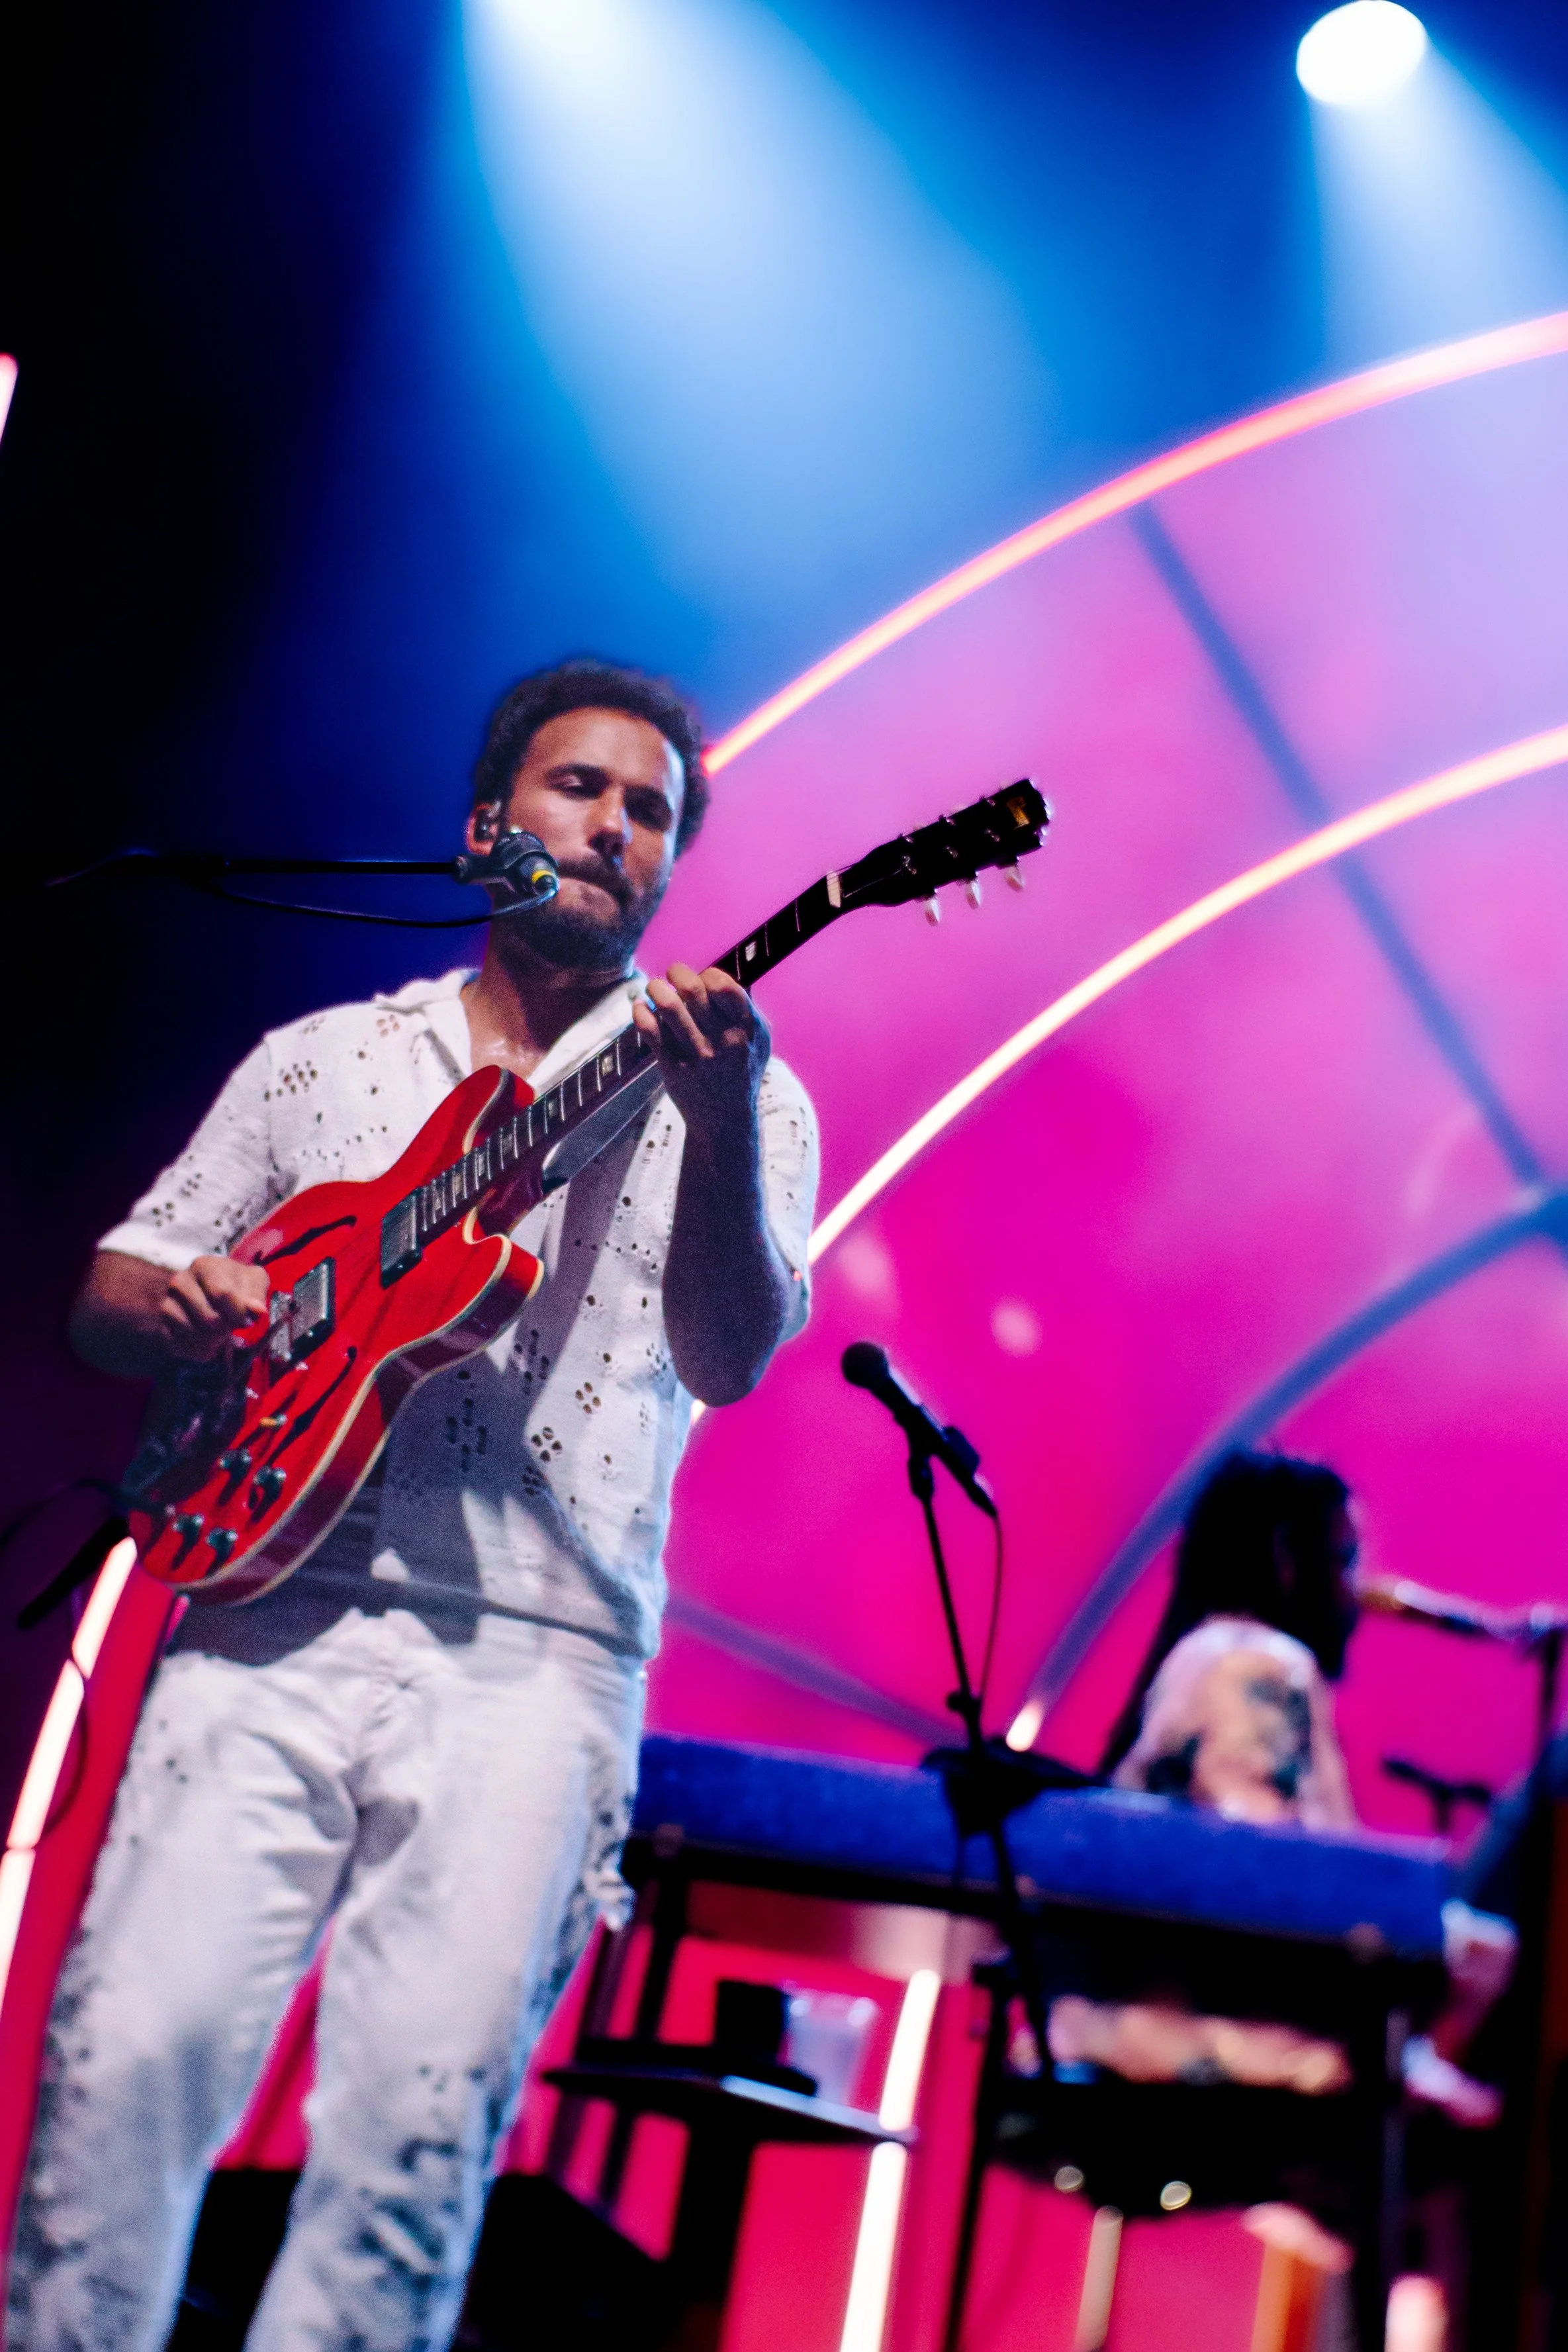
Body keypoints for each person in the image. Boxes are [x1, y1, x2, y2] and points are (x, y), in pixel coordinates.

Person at [8, 660, 819, 2352]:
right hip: (262, 1620)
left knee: (408, 2153)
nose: (613, 827)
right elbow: (114, 1281)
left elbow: (733, 1355)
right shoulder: (324, 1063)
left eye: (649, 810)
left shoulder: (739, 1087)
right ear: (485, 830)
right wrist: (172, 1303)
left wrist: (721, 1109)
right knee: (125, 2076)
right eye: (579, 788)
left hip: (535, 1664)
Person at [1048, 1451, 1511, 2122]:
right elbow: (1269, 1881)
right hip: (1204, 2040)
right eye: (1344, 1560)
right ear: (1284, 1556)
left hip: (1166, 2018)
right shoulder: (1252, 1664)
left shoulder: (1217, 1655)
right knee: (1494, 1982)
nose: (1360, 1591)